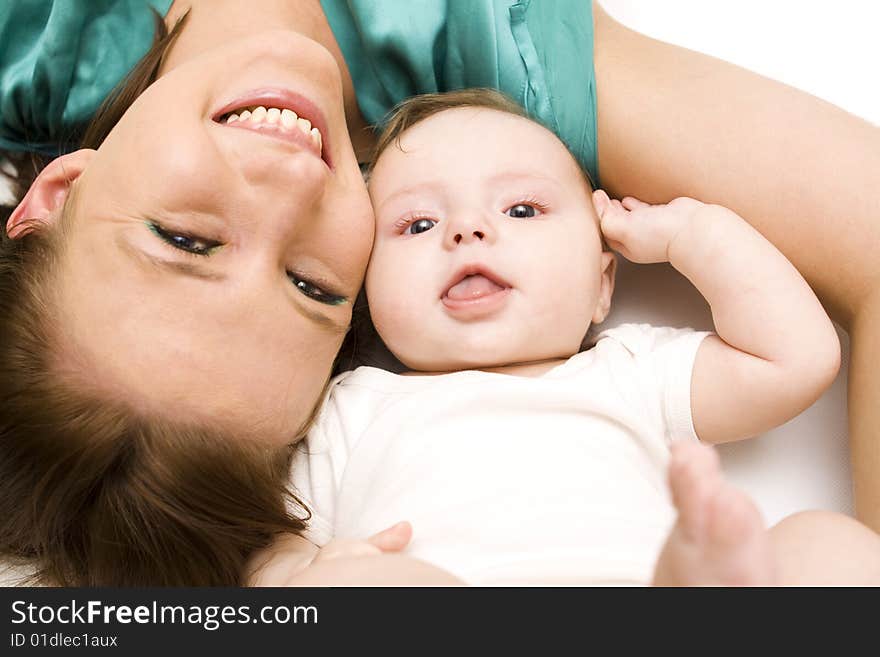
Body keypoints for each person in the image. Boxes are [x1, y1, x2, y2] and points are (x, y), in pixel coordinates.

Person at [1, 1, 878, 586]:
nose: (284, 189)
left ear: (60, 194)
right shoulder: (501, 111)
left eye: (184, 239)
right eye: (313, 285)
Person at [253, 89, 879, 586]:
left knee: (829, 546)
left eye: (522, 210)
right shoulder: (348, 407)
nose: (467, 229)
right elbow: (265, 537)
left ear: (601, 284)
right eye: (418, 224)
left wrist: (694, 234)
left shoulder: (630, 371)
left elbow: (795, 359)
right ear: (365, 287)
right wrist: (290, 572)